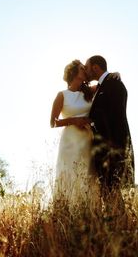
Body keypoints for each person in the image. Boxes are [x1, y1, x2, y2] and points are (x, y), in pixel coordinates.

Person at [85, 55, 135, 191]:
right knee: (108, 193)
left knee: (113, 192)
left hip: (113, 148)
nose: (85, 71)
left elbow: (116, 117)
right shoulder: (102, 85)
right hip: (103, 150)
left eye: (87, 68)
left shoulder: (114, 83)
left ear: (95, 68)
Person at [49, 60, 97, 199]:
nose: (86, 71)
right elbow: (53, 122)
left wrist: (115, 74)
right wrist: (73, 121)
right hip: (69, 141)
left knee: (88, 174)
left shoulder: (90, 91)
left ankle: (89, 214)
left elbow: (106, 81)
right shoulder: (62, 95)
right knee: (69, 172)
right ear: (74, 73)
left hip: (87, 139)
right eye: (82, 68)